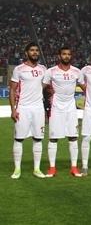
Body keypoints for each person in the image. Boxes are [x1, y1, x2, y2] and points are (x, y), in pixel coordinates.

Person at [43, 46, 83, 177]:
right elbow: (42, 87)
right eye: (64, 54)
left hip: (71, 108)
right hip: (56, 108)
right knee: (53, 138)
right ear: (59, 56)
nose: (66, 56)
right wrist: (48, 94)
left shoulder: (77, 71)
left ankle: (74, 167)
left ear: (71, 56)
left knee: (73, 137)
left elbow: (86, 88)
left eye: (68, 54)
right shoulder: (51, 71)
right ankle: (52, 168)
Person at [10, 42, 48, 179]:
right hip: (23, 108)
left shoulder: (43, 69)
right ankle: (17, 169)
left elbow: (45, 85)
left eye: (37, 50)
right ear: (26, 53)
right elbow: (12, 90)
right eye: (32, 50)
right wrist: (13, 110)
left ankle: (37, 169)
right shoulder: (19, 69)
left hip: (38, 108)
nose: (35, 53)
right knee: (19, 139)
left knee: (38, 138)